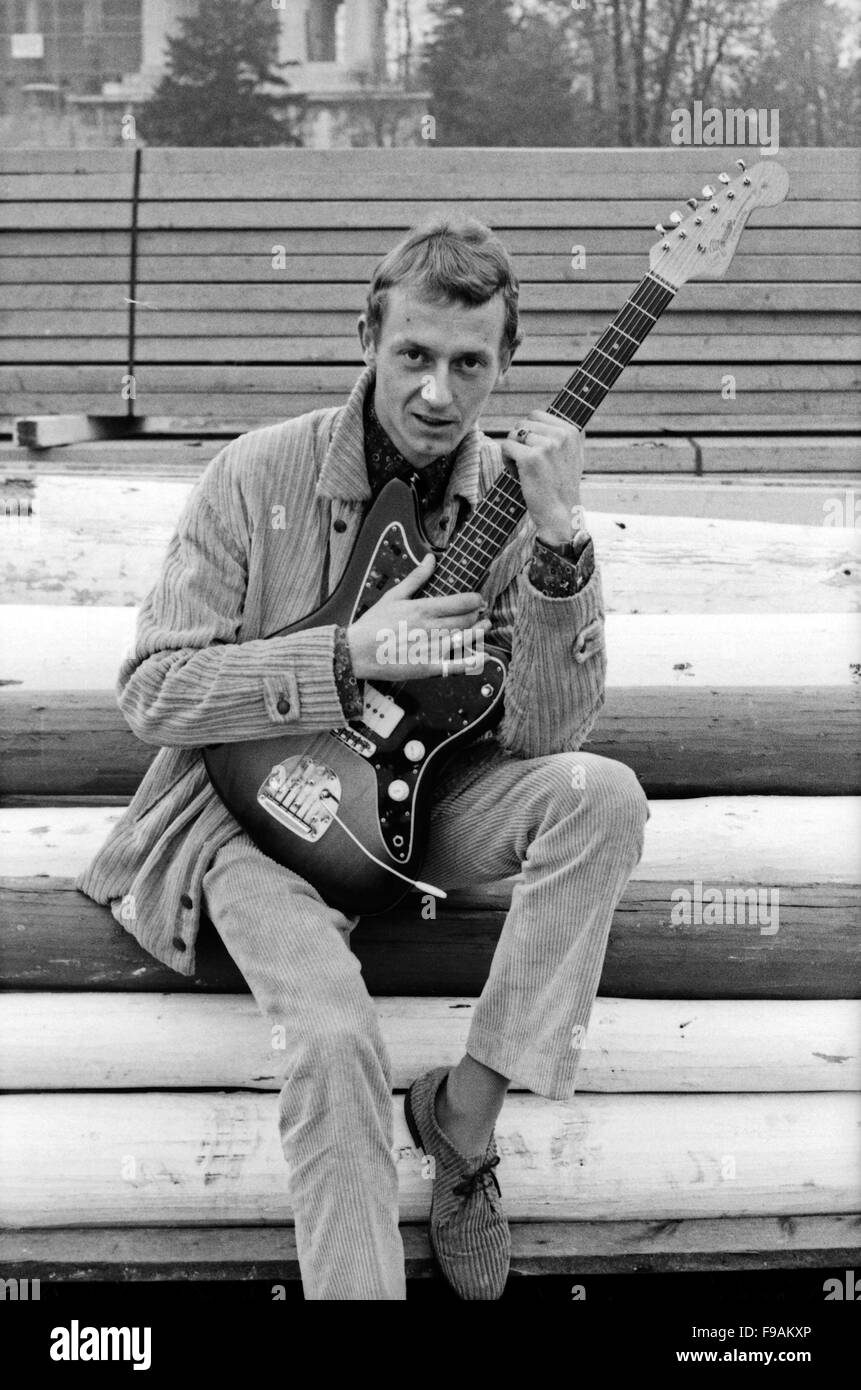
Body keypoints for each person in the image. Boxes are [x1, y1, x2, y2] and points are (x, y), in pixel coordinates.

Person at [77, 217, 649, 1301]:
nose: (439, 392)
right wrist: (345, 655)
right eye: (414, 356)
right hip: (259, 818)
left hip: (426, 805)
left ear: (505, 367)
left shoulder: (521, 507)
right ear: (368, 336)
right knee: (336, 1036)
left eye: (469, 364)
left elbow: (549, 735)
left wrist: (565, 538)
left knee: (603, 795)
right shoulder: (255, 474)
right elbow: (153, 690)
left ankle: (463, 1120)